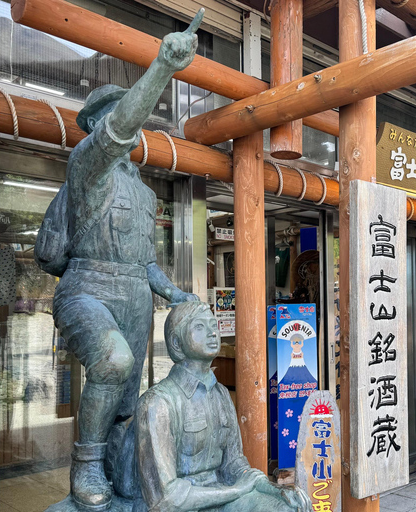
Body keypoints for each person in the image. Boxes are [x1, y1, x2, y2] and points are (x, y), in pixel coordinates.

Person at [51, 12, 203, 511]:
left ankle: (118, 468)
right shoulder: (87, 167)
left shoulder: (142, 193)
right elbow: (119, 128)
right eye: (121, 115)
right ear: (96, 125)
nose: (132, 124)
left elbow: (147, 263)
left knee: (124, 400)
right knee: (113, 362)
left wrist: (174, 292)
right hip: (88, 287)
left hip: (134, 291)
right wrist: (162, 67)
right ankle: (86, 462)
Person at [129, 301, 310, 512]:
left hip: (222, 498)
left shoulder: (221, 394)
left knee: (288, 507)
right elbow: (165, 499)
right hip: (184, 507)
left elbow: (234, 463)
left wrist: (273, 489)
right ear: (176, 343)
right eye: (199, 327)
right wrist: (234, 492)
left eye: (213, 325)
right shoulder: (158, 403)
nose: (213, 333)